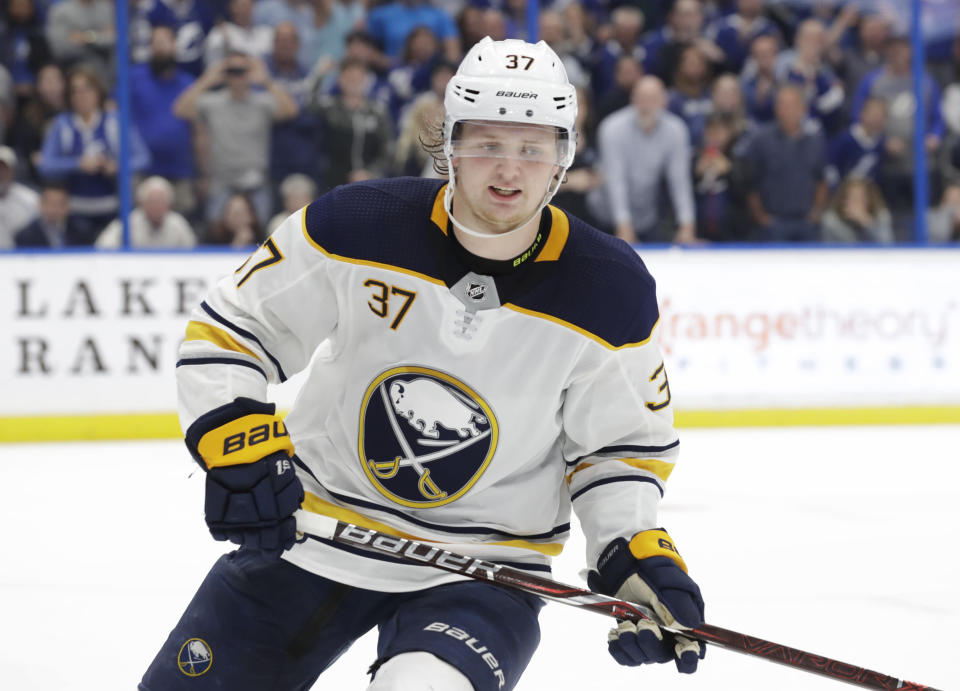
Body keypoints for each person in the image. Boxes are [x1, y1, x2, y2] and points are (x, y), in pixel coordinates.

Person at [140, 36, 705, 690]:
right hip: (314, 531)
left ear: (562, 159)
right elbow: (233, 327)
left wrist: (631, 547)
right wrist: (233, 437)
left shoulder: (608, 288)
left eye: (532, 148)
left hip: (485, 568)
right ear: (450, 145)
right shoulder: (359, 224)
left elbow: (621, 447)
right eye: (488, 143)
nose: (508, 170)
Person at [173, 51, 298, 224]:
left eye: (241, 70)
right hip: (221, 184)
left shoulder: (263, 102)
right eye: (232, 71)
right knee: (216, 240)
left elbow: (291, 110)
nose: (237, 76)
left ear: (249, 72)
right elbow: (180, 109)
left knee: (260, 242)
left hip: (256, 183)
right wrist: (207, 80)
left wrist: (266, 80)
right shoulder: (213, 102)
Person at [38, 65, 151, 240]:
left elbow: (143, 157)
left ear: (98, 92)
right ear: (70, 96)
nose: (82, 96)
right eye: (76, 91)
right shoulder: (63, 125)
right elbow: (46, 164)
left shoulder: (114, 122)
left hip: (113, 209)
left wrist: (117, 166)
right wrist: (78, 164)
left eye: (87, 89)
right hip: (75, 211)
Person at [589, 75, 696, 244]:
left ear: (664, 101)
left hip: (647, 216)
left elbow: (679, 180)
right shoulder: (612, 128)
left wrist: (687, 224)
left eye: (653, 99)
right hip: (604, 215)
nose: (647, 105)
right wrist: (623, 225)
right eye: (642, 98)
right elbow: (616, 180)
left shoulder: (676, 130)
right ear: (633, 99)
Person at [743, 84, 828, 242]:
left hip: (806, 222)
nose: (788, 110)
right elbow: (750, 183)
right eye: (783, 104)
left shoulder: (815, 142)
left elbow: (821, 180)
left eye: (793, 105)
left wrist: (816, 213)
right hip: (773, 223)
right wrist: (761, 217)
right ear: (776, 108)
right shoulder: (761, 141)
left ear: (803, 109)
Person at [95, 176, 197, 248]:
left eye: (160, 202)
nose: (156, 207)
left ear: (168, 205)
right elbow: (103, 246)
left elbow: (193, 254)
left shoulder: (177, 224)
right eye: (152, 202)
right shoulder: (128, 223)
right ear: (142, 204)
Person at [13, 182, 89, 247]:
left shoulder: (82, 231)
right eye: (50, 203)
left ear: (68, 206)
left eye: (60, 204)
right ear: (41, 205)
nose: (54, 209)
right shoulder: (25, 236)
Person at [820, 177, 894, 244]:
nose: (856, 202)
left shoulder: (881, 215)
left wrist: (866, 222)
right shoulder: (831, 220)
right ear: (843, 200)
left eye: (861, 198)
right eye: (852, 198)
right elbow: (829, 251)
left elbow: (887, 246)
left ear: (869, 200)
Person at [0, 146, 40, 248]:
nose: (0, 174)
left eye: (4, 169)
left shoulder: (31, 199)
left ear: (12, 171)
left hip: (23, 258)